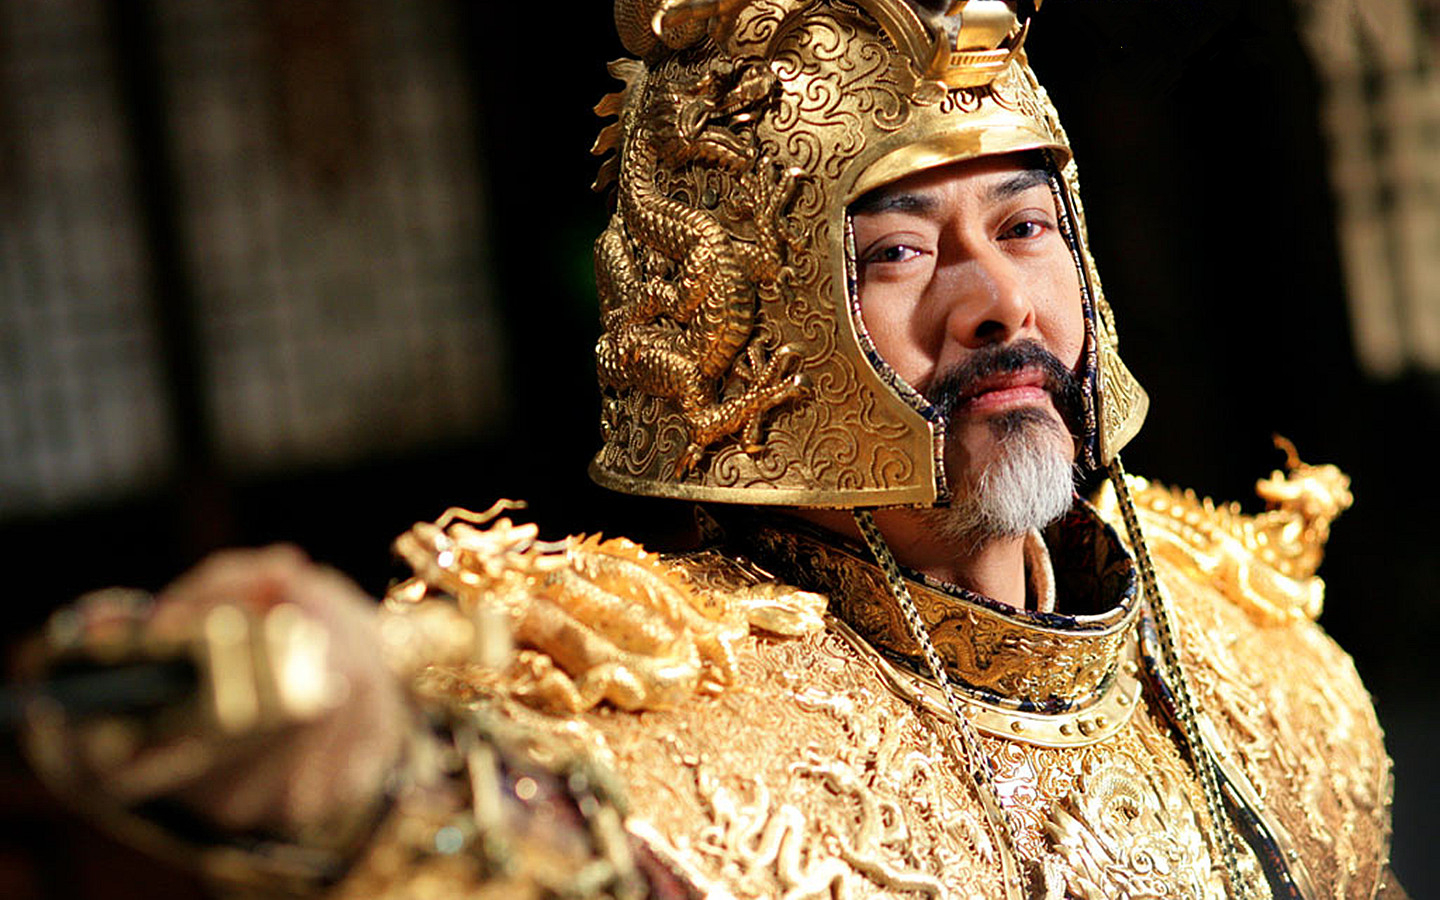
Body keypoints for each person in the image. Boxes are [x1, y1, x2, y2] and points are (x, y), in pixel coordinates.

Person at [21, 2, 1402, 898]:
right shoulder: (674, 715)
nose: (996, 302)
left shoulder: (1265, 669)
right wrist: (344, 775)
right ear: (770, 320)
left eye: (1023, 226)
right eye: (898, 252)